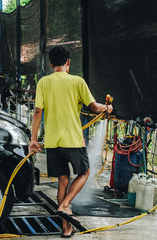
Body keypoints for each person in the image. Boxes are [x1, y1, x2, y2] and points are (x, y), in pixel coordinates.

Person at [29, 46, 113, 238]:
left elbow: (37, 111)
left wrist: (34, 139)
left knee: (62, 181)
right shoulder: (77, 81)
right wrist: (107, 108)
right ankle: (65, 204)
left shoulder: (43, 82)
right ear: (68, 62)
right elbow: (94, 107)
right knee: (84, 172)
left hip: (52, 141)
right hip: (73, 139)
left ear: (51, 64)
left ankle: (66, 229)